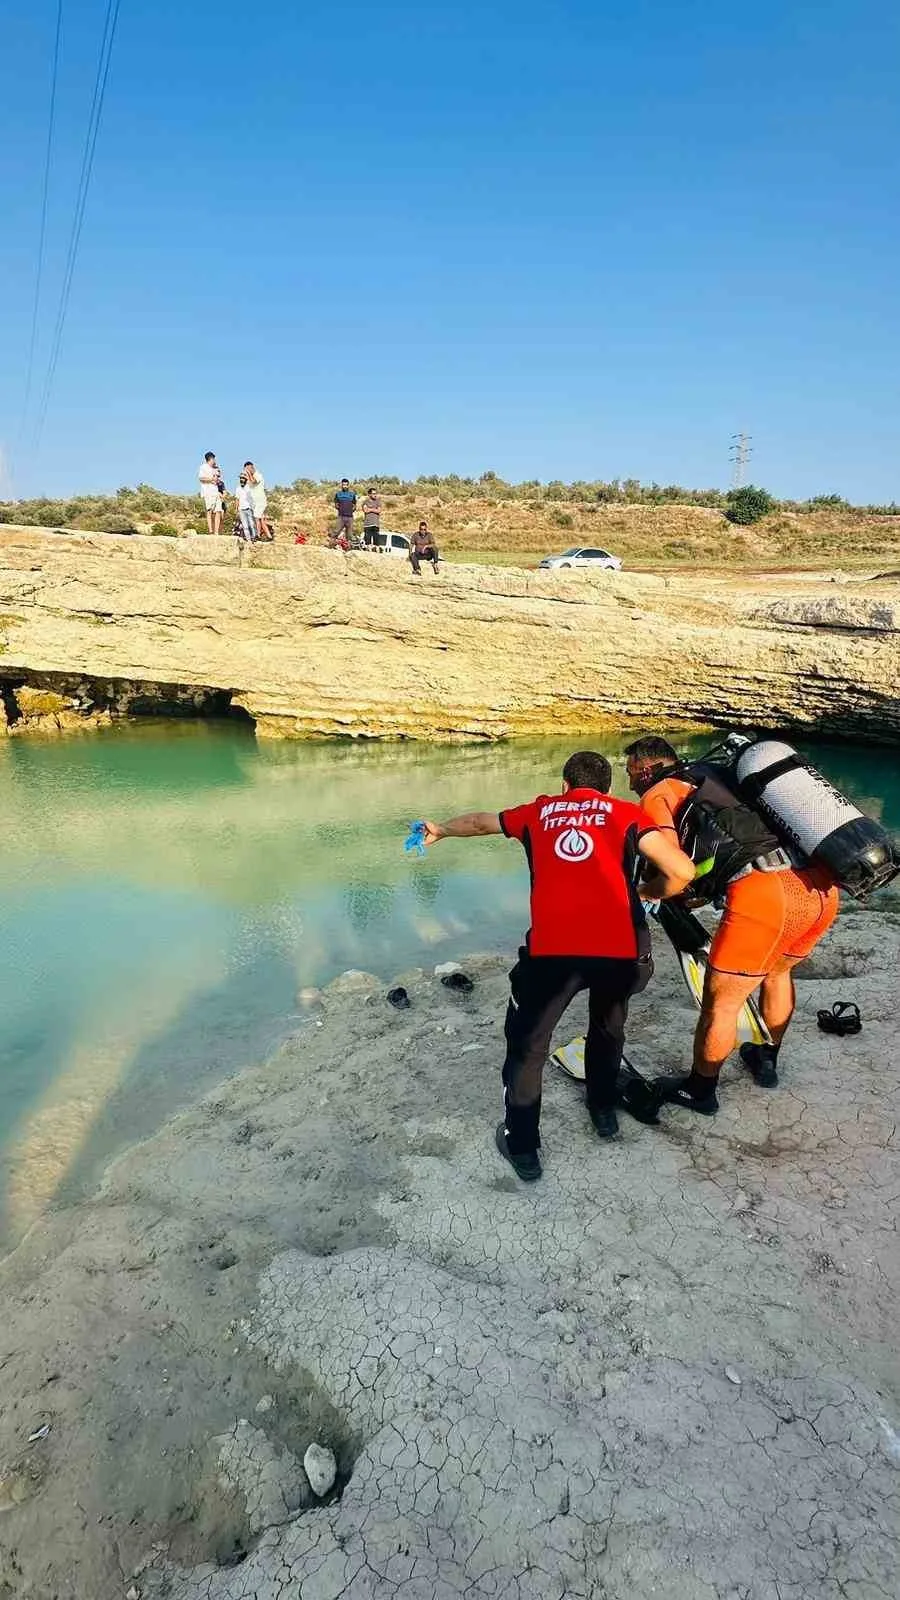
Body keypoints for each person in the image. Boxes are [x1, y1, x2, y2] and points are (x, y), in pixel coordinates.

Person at [420, 751, 695, 1180]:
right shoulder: (625, 813)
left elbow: (479, 823)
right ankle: (603, 1113)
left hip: (552, 953)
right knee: (607, 1029)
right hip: (616, 951)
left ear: (566, 785)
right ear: (605, 788)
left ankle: (523, 1148)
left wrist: (441, 831)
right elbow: (682, 869)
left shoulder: (540, 810)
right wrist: (649, 890)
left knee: (528, 1047)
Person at [624, 735, 840, 1114]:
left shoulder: (657, 792)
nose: (629, 783)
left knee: (721, 1004)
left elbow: (679, 869)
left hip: (765, 896)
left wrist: (646, 891)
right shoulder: (722, 775)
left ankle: (700, 1089)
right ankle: (766, 1060)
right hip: (821, 887)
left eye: (630, 774)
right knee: (776, 974)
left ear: (646, 769)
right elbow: (728, 848)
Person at [198, 452, 223, 536]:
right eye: (214, 459)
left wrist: (218, 478)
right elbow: (201, 478)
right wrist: (211, 479)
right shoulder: (203, 467)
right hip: (208, 492)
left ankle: (216, 532)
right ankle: (210, 531)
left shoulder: (215, 468)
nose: (215, 461)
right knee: (209, 510)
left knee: (218, 511)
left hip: (216, 492)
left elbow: (218, 480)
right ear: (211, 458)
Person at [245, 462, 272, 540]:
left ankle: (258, 535)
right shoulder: (251, 477)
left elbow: (254, 482)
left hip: (261, 501)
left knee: (257, 518)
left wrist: (249, 474)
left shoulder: (258, 475)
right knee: (261, 520)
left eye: (248, 469)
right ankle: (269, 536)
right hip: (255, 502)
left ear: (252, 467)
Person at [234, 473, 259, 541]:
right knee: (245, 526)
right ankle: (249, 540)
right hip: (241, 509)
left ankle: (254, 537)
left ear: (245, 479)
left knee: (251, 524)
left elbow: (254, 484)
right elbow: (237, 499)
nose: (241, 480)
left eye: (243, 478)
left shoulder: (249, 487)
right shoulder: (238, 488)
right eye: (240, 478)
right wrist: (236, 509)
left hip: (249, 508)